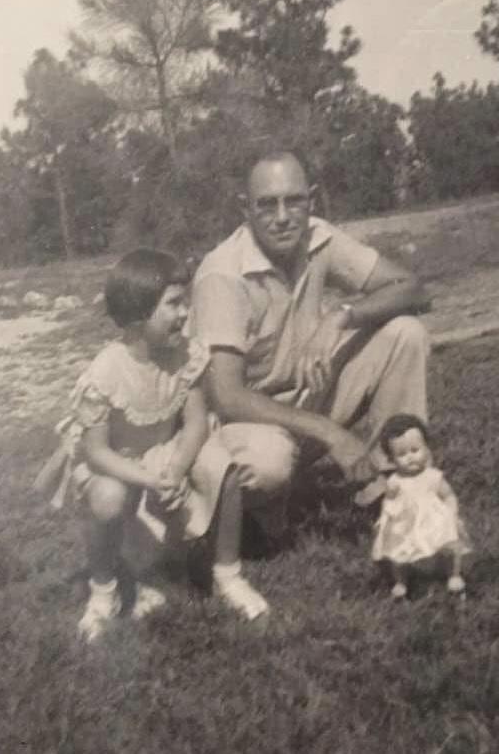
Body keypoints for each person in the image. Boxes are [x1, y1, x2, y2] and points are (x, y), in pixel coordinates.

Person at [191, 151, 430, 540]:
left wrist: (340, 316)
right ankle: (244, 518)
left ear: (312, 200)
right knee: (270, 463)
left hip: (302, 401)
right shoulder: (223, 274)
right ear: (245, 209)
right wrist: (331, 433)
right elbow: (227, 397)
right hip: (241, 427)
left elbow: (413, 289)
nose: (282, 217)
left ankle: (396, 486)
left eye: (294, 201)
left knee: (405, 333)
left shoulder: (319, 237)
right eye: (267, 205)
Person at [35, 248, 269, 642]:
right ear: (139, 313)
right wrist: (149, 480)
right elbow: (96, 452)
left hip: (165, 449)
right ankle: (103, 591)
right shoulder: (107, 371)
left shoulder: (187, 353)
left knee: (224, 469)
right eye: (173, 304)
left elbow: (195, 423)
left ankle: (228, 575)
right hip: (116, 460)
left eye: (185, 302)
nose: (184, 313)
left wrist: (175, 469)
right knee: (108, 497)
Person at [355, 414, 471, 599]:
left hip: (434, 520)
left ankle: (454, 575)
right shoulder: (395, 481)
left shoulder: (433, 476)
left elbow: (448, 495)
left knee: (449, 545)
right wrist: (386, 517)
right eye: (401, 454)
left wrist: (452, 512)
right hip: (406, 523)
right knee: (398, 552)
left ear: (426, 449)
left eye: (415, 450)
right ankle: (401, 581)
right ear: (391, 459)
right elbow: (389, 501)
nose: (410, 457)